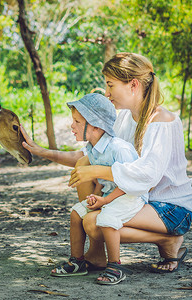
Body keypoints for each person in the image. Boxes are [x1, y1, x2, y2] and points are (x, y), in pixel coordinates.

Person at [20, 52, 192, 282]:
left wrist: (97, 171)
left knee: (93, 224)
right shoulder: (124, 118)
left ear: (133, 85)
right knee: (86, 171)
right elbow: (89, 156)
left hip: (170, 208)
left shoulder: (162, 121)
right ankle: (95, 255)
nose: (107, 93)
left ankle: (167, 240)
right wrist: (42, 152)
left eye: (111, 85)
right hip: (137, 198)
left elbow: (147, 175)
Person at [49, 93, 147, 285]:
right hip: (111, 194)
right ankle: (77, 262)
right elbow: (103, 178)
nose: (72, 126)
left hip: (130, 196)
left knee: (106, 218)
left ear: (95, 126)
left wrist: (106, 201)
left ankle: (115, 266)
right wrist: (97, 195)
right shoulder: (93, 148)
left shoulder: (120, 149)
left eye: (77, 121)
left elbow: (131, 183)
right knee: (77, 213)